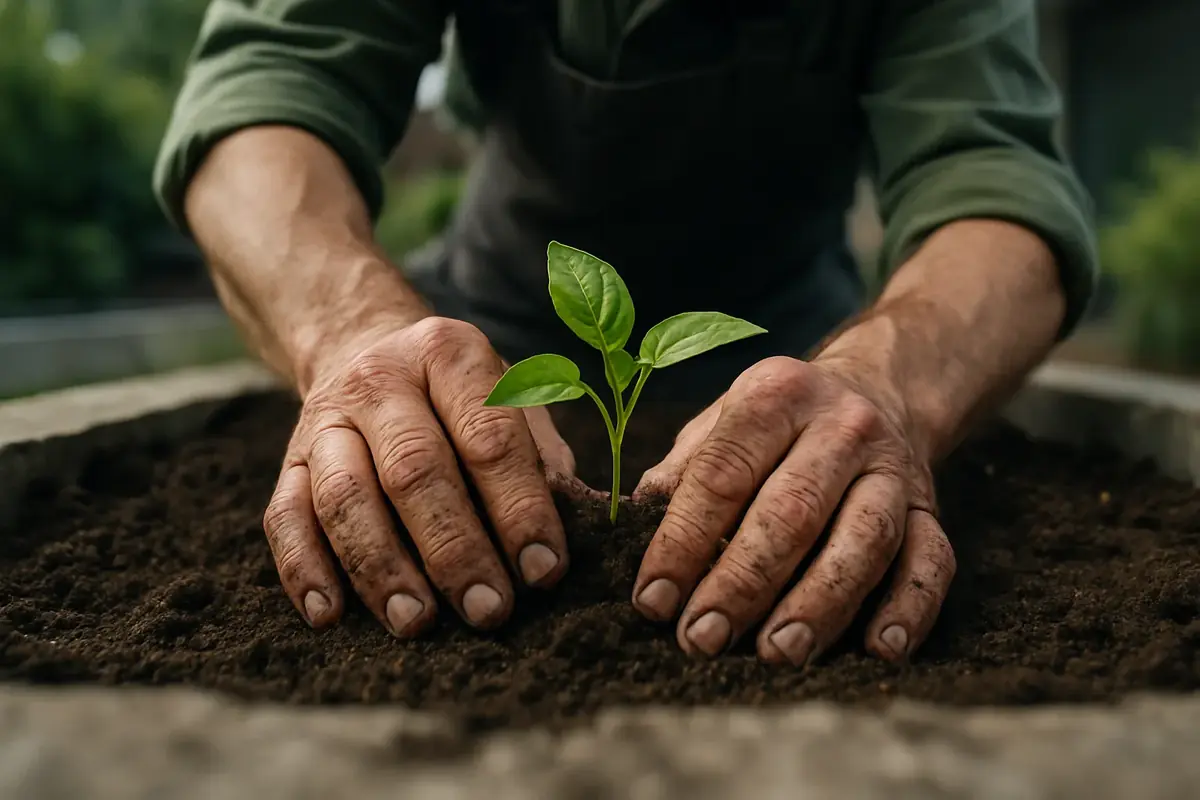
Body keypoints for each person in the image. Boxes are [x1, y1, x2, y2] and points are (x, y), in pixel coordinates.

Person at [154, 0, 1097, 666]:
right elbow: (267, 87)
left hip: (806, 349)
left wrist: (888, 385)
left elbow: (994, 178)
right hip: (487, 327)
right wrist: (352, 332)